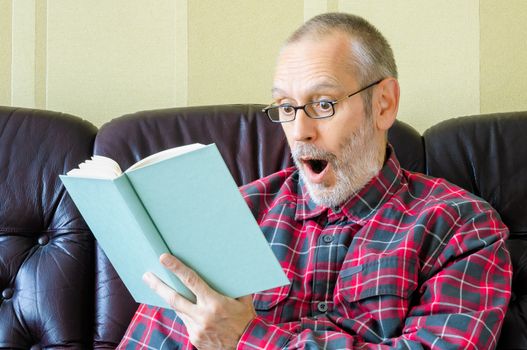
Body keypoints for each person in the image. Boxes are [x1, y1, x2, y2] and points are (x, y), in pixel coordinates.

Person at [117, 12, 511, 349]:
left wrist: (247, 339)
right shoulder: (233, 214)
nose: (299, 131)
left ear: (384, 104)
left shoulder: (459, 225)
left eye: (323, 104)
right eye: (286, 107)